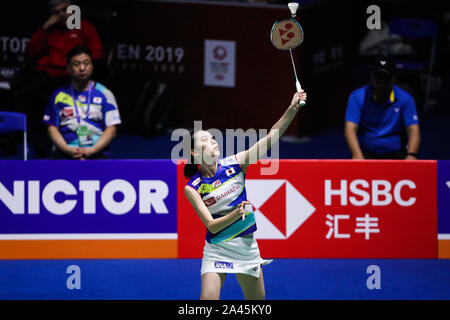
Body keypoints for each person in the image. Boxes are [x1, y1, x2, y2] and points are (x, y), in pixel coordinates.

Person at [183, 90, 307, 300]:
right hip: (217, 249)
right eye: (205, 139)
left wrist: (292, 108)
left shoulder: (235, 164)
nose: (213, 141)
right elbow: (211, 225)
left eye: (213, 137)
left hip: (246, 247)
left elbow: (270, 138)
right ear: (194, 152)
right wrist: (236, 214)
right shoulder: (192, 187)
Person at [15, 0, 104, 157]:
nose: (62, 14)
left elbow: (96, 52)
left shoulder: (84, 27)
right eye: (57, 12)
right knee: (26, 96)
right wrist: (44, 28)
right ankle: (26, 141)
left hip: (71, 75)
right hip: (47, 74)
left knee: (63, 97)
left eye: (65, 9)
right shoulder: (48, 30)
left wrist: (79, 63)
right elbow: (31, 51)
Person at [43, 45, 121, 159]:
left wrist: (92, 150)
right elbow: (51, 127)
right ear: (68, 68)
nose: (82, 68)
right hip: (65, 150)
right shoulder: (58, 95)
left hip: (97, 151)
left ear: (92, 66)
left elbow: (112, 129)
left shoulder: (105, 94)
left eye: (86, 63)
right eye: (77, 64)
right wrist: (66, 149)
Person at [344, 57, 420, 160]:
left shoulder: (405, 98)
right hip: (365, 153)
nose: (382, 82)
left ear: (394, 78)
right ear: (371, 77)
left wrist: (411, 155)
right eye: (378, 77)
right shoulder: (357, 97)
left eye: (386, 77)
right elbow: (350, 129)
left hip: (396, 154)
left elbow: (413, 130)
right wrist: (357, 154)